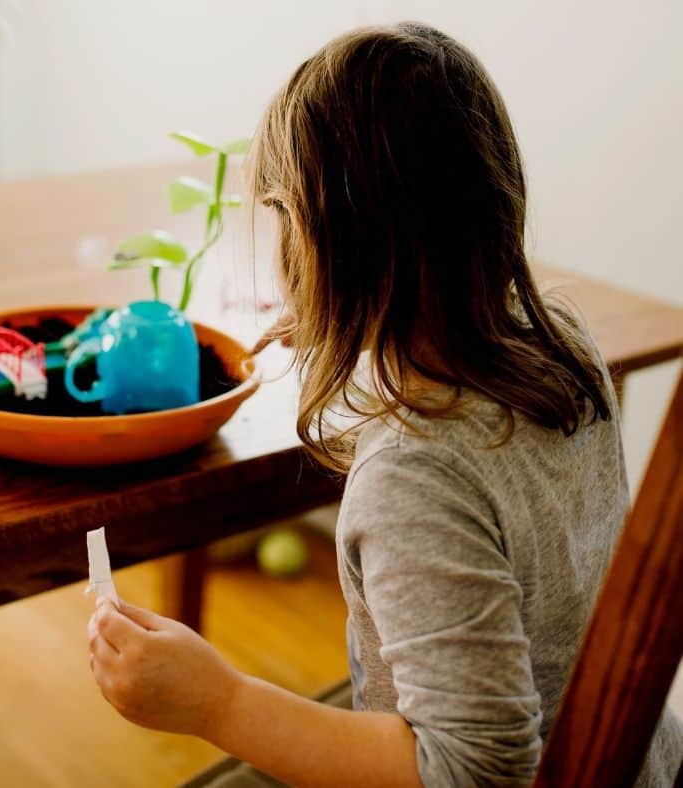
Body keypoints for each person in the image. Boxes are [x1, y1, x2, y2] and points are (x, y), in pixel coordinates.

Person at [87, 23, 683, 787]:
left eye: (285, 214)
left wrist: (219, 703)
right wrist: (360, 312)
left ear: (336, 246)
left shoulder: (415, 477)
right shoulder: (557, 337)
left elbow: (475, 773)